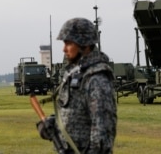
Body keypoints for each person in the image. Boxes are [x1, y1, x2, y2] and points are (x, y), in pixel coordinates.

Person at [37, 17, 117, 154]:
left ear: (84, 45)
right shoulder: (75, 74)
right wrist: (53, 124)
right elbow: (75, 116)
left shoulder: (96, 79)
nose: (64, 49)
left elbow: (103, 135)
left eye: (68, 44)